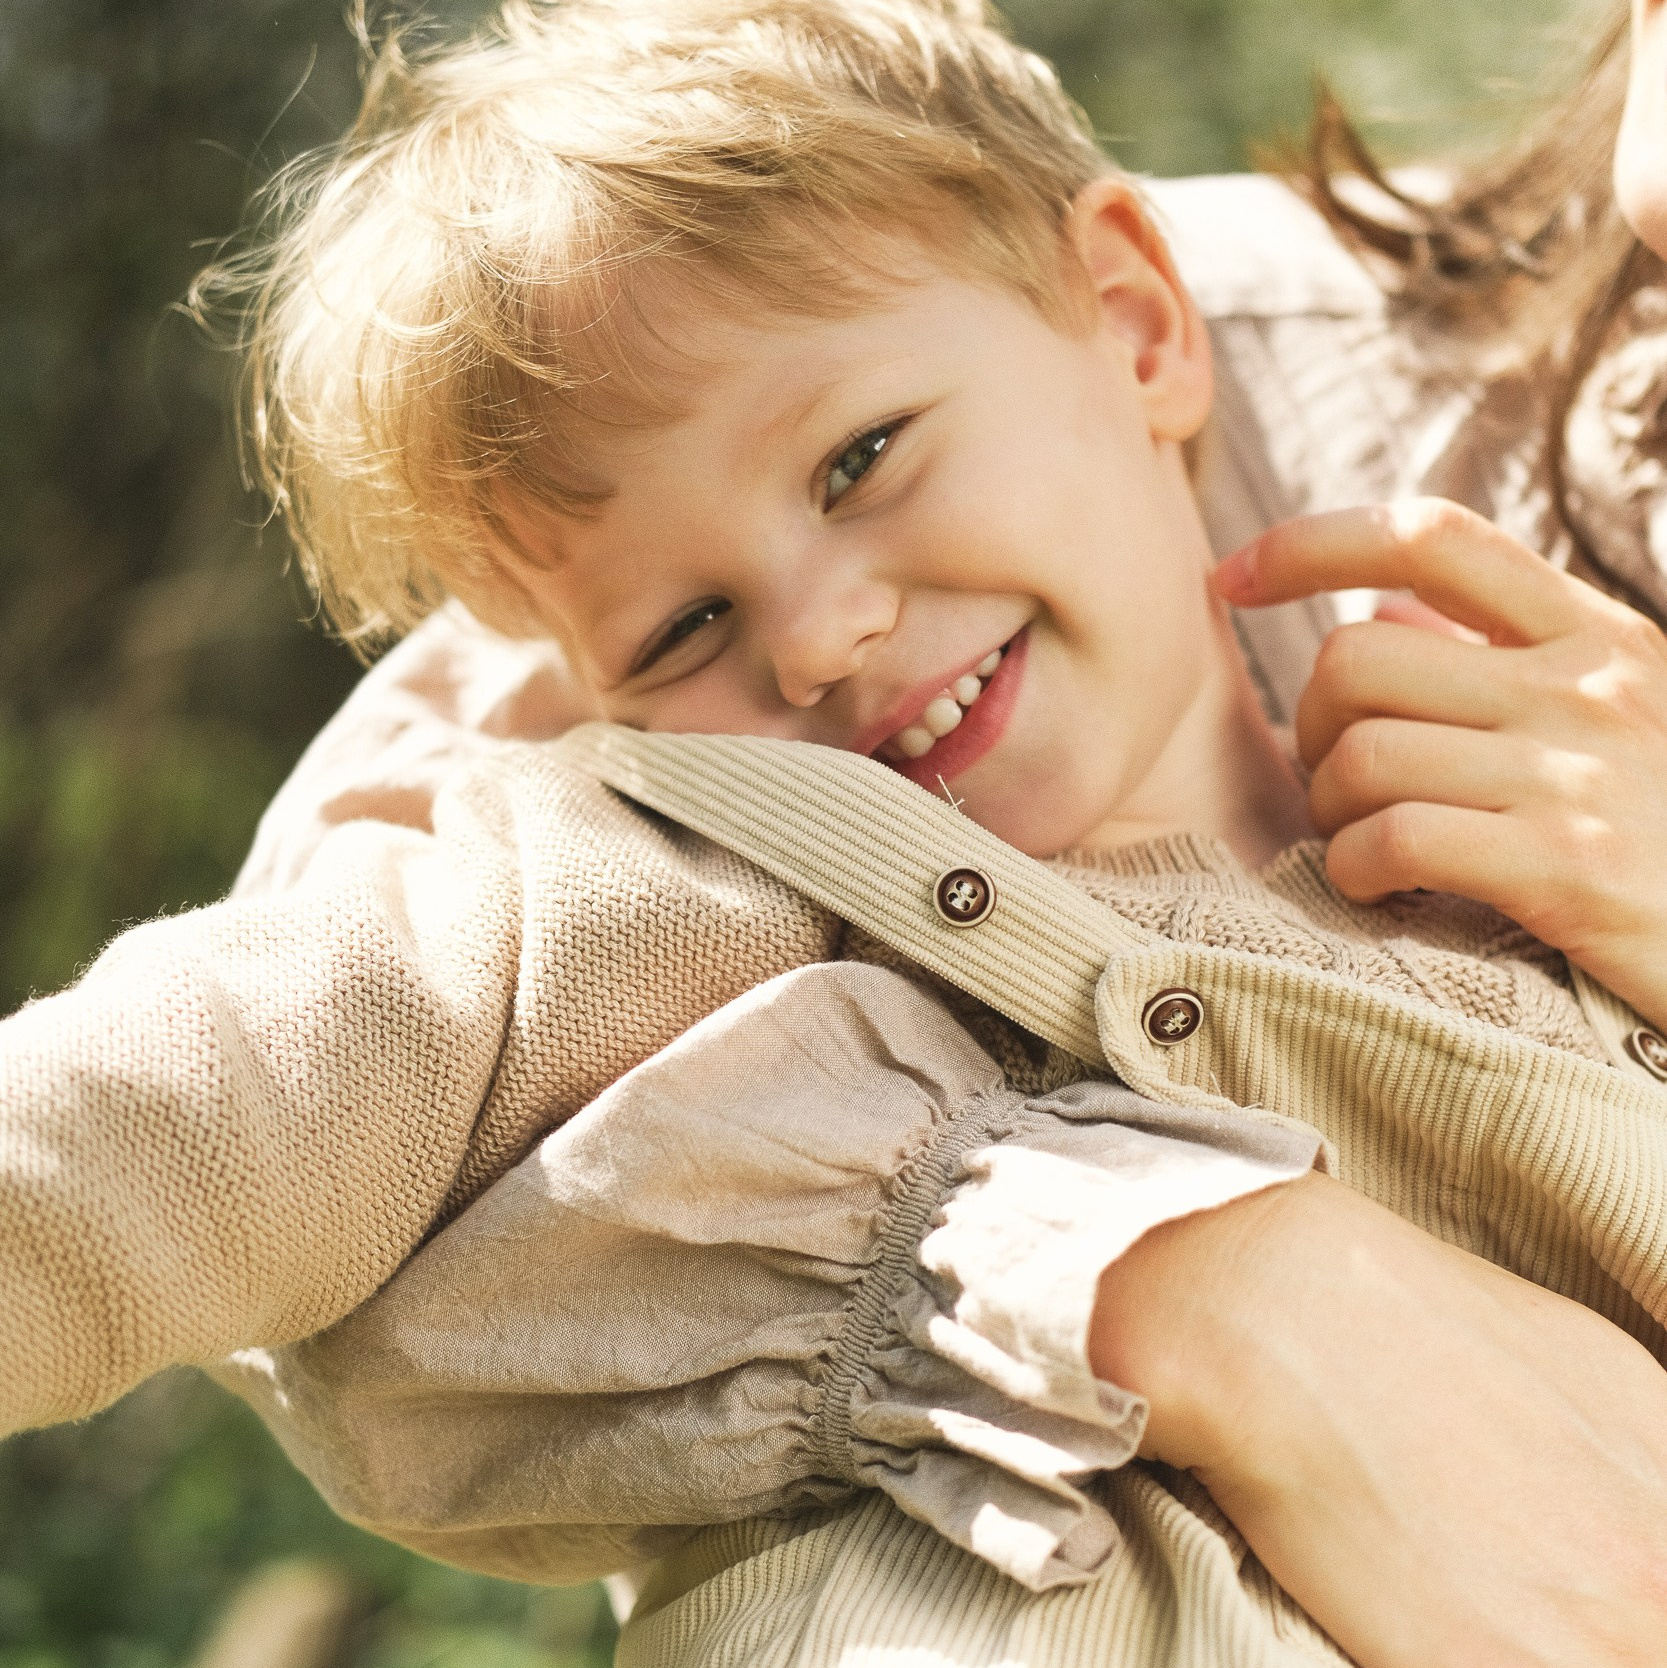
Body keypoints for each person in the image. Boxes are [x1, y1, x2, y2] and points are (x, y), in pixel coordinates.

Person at [7, 1, 1667, 1665]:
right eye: (680, 630)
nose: (811, 638)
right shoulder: (713, 881)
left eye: (859, 459)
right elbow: (208, 1091)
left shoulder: (1528, 819)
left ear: (1138, 325)